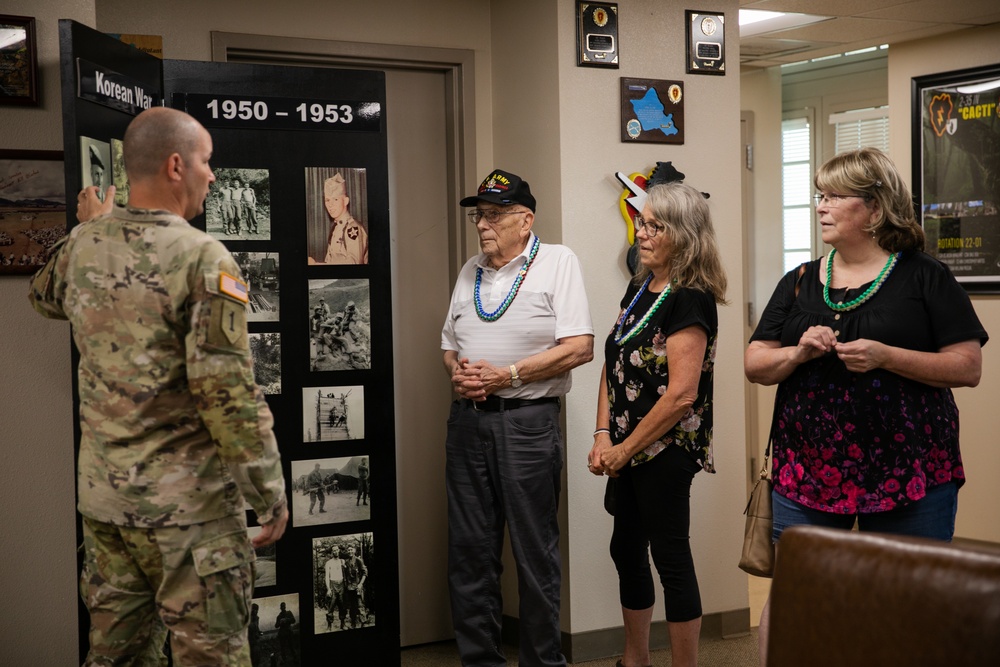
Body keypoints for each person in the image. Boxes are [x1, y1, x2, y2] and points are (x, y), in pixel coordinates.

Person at [28, 106, 288, 665]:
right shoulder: (201, 257)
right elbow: (228, 396)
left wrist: (90, 228)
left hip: (107, 509)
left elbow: (43, 297)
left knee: (115, 658)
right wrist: (268, 494)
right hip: (188, 518)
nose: (213, 175)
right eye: (207, 161)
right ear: (176, 165)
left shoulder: (84, 246)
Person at [744, 147, 988, 666]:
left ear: (874, 210)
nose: (821, 207)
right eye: (819, 196)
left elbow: (967, 366)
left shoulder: (924, 277)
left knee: (911, 599)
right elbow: (755, 362)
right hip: (808, 469)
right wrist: (797, 352)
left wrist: (886, 357)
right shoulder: (801, 280)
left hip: (910, 469)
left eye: (834, 197)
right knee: (794, 592)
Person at [442, 168, 594, 667]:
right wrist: (461, 375)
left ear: (524, 219)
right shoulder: (470, 270)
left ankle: (543, 663)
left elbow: (579, 348)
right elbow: (449, 345)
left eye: (493, 215)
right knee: (470, 552)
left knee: (533, 553)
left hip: (526, 424)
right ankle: (481, 661)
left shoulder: (557, 262)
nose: (482, 225)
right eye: (478, 215)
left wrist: (506, 375)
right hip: (468, 422)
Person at [588, 182, 728, 667]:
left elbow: (681, 395)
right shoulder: (641, 285)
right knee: (625, 548)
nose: (641, 233)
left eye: (653, 226)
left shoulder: (691, 298)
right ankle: (635, 659)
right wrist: (603, 433)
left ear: (684, 235)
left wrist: (624, 452)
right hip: (625, 444)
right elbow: (615, 360)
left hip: (666, 450)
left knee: (670, 559)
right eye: (640, 222)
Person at [311, 172, 369, 264]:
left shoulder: (353, 228)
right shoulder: (335, 227)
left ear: (346, 201)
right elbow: (329, 262)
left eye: (336, 199)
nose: (330, 204)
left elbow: (355, 264)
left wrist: (316, 265)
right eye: (327, 200)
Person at [341, 545, 369, 628]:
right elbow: (346, 574)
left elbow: (365, 573)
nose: (350, 551)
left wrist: (360, 584)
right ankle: (353, 624)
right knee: (352, 607)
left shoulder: (359, 560)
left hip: (357, 587)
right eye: (348, 550)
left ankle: (363, 624)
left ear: (354, 550)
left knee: (360, 606)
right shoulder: (346, 562)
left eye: (351, 550)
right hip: (349, 588)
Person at [324, 548, 346, 630]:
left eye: (336, 550)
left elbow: (347, 573)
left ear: (339, 551)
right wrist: (328, 589)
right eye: (333, 550)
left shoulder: (342, 561)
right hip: (332, 585)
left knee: (342, 606)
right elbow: (326, 576)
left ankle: (342, 625)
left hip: (341, 585)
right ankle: (329, 626)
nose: (335, 551)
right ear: (332, 552)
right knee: (331, 606)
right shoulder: (328, 563)